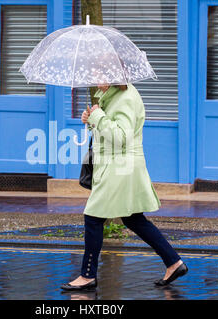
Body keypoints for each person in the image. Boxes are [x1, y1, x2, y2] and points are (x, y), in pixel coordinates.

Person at [60, 83, 188, 291]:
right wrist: (91, 120)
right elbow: (109, 130)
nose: (96, 79)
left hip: (118, 167)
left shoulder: (126, 96)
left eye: (100, 73)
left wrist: (98, 116)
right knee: (133, 218)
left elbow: (121, 137)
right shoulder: (111, 94)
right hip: (116, 166)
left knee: (93, 217)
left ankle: (87, 275)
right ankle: (174, 262)